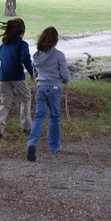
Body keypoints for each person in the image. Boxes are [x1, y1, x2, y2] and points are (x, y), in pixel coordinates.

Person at [26, 26, 71, 162]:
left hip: (41, 88)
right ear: (55, 41)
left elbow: (35, 72)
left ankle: (32, 143)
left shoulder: (37, 55)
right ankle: (54, 146)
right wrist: (66, 79)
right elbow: (65, 74)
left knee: (39, 116)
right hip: (55, 88)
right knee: (55, 117)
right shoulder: (59, 55)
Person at [0, 18, 34, 138]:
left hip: (3, 76)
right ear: (22, 32)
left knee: (5, 101)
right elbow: (25, 58)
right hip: (17, 76)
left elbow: (0, 57)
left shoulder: (4, 45)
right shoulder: (22, 44)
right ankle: (26, 126)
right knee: (26, 98)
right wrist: (31, 73)